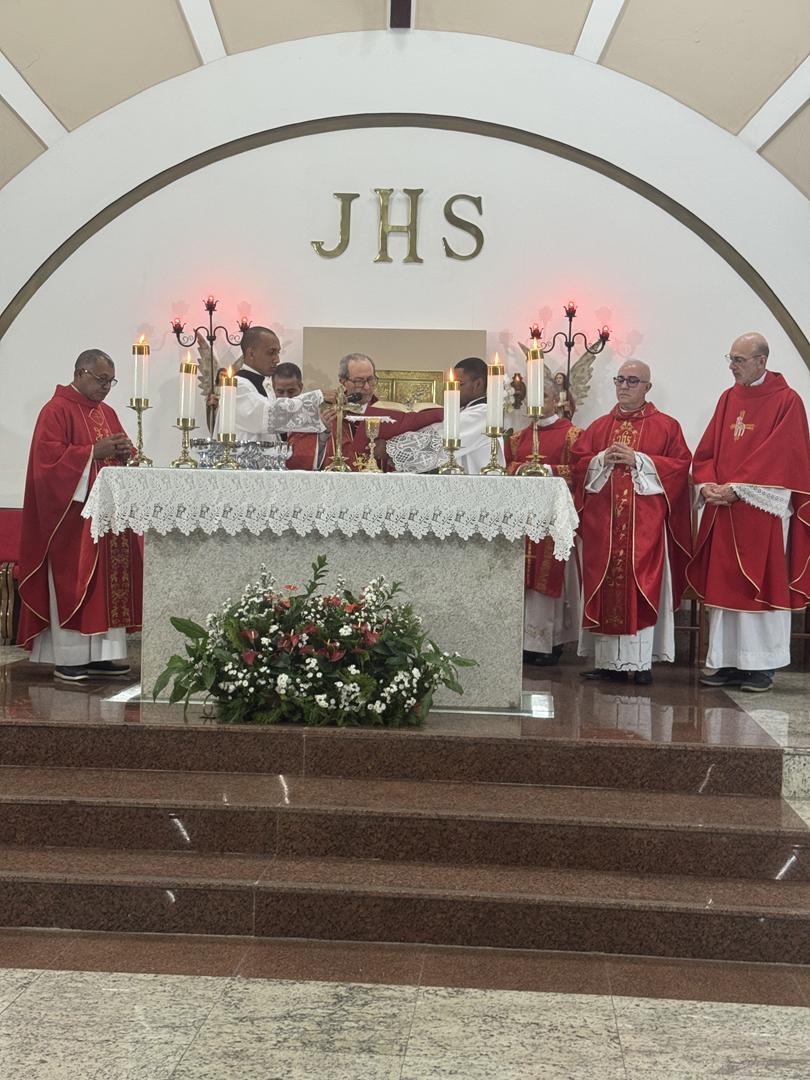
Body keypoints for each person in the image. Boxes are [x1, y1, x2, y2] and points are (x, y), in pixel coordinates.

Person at [688, 333, 810, 692]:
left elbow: (785, 457)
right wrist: (707, 484)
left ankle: (761, 666)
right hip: (724, 510)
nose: (732, 366)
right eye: (730, 358)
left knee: (761, 584)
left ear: (761, 361)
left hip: (761, 511)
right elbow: (707, 451)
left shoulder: (787, 401)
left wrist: (739, 488)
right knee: (725, 586)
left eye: (738, 360)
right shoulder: (728, 398)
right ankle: (726, 661)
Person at [17, 350, 142, 683]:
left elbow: (119, 454)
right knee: (73, 583)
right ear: (80, 373)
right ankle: (69, 658)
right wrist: (91, 453)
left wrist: (126, 452)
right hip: (71, 521)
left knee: (106, 588)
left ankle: (103, 656)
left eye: (111, 381)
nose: (106, 387)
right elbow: (46, 466)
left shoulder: (107, 412)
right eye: (102, 380)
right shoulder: (55, 410)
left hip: (107, 518)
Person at [572, 360, 692, 684]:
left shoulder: (666, 426)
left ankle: (640, 663)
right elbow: (578, 465)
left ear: (647, 387)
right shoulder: (599, 427)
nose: (624, 386)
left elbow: (680, 467)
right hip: (604, 527)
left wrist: (638, 460)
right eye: (620, 379)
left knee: (641, 586)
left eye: (633, 381)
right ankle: (607, 663)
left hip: (643, 529)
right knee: (604, 587)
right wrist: (601, 459)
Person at [506, 380, 582, 665]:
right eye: (533, 397)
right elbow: (507, 467)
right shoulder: (517, 438)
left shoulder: (572, 435)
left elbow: (579, 471)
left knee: (549, 578)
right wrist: (521, 469)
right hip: (523, 518)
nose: (536, 402)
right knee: (523, 579)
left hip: (553, 519)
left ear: (556, 401)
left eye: (545, 396)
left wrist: (546, 469)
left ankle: (551, 642)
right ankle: (525, 643)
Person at [383, 356, 503, 475]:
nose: (453, 390)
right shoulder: (465, 410)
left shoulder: (483, 413)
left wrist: (389, 447)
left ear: (478, 384)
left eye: (459, 384)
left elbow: (439, 438)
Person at [322, 352, 443, 469]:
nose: (367, 387)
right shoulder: (328, 413)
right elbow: (314, 459)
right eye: (359, 381)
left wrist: (392, 448)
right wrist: (323, 433)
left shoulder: (386, 410)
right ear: (343, 381)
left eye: (371, 380)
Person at [229, 326, 330, 441]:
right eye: (271, 352)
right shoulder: (237, 386)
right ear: (251, 353)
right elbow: (271, 415)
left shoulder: (265, 384)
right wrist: (319, 397)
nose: (277, 360)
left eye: (277, 353)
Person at [271, 362, 323, 470]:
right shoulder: (265, 414)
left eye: (291, 391)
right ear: (273, 388)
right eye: (280, 392)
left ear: (300, 387)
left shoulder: (313, 417)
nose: (286, 398)